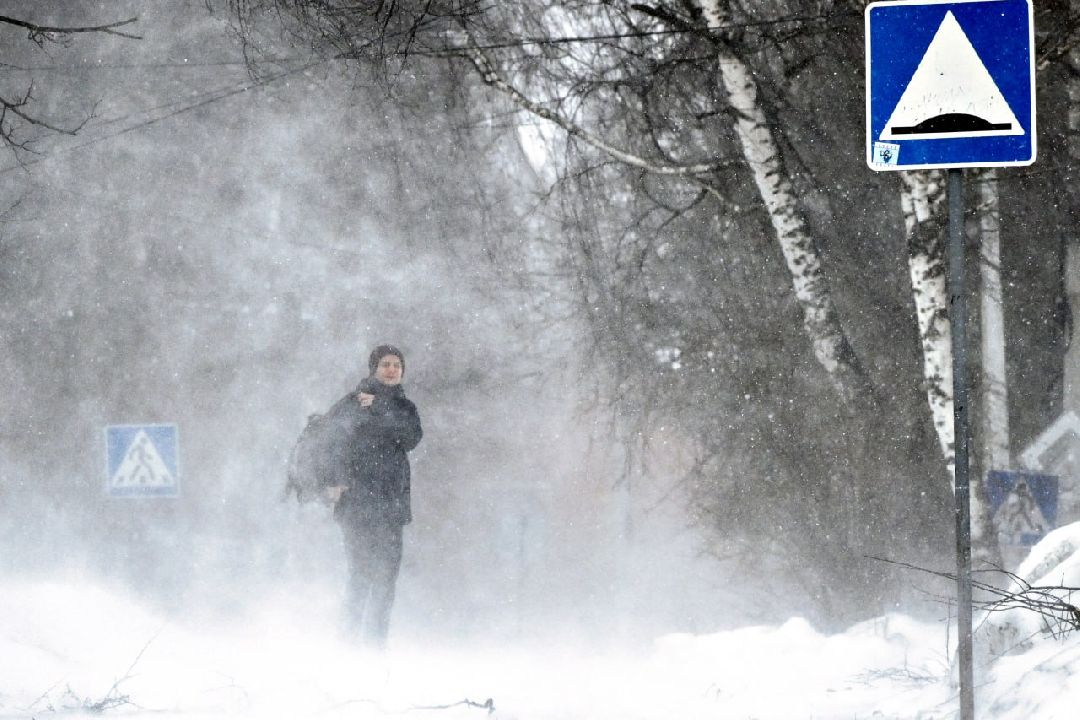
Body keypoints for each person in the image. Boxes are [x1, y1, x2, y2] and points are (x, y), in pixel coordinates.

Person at [321, 344, 422, 648]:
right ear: (373, 369)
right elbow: (330, 441)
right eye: (385, 365)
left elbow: (410, 437)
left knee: (386, 581)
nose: (392, 370)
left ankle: (376, 648)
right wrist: (334, 480)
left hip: (391, 508)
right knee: (361, 577)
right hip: (358, 507)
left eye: (396, 365)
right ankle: (349, 646)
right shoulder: (352, 403)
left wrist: (379, 407)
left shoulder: (405, 408)